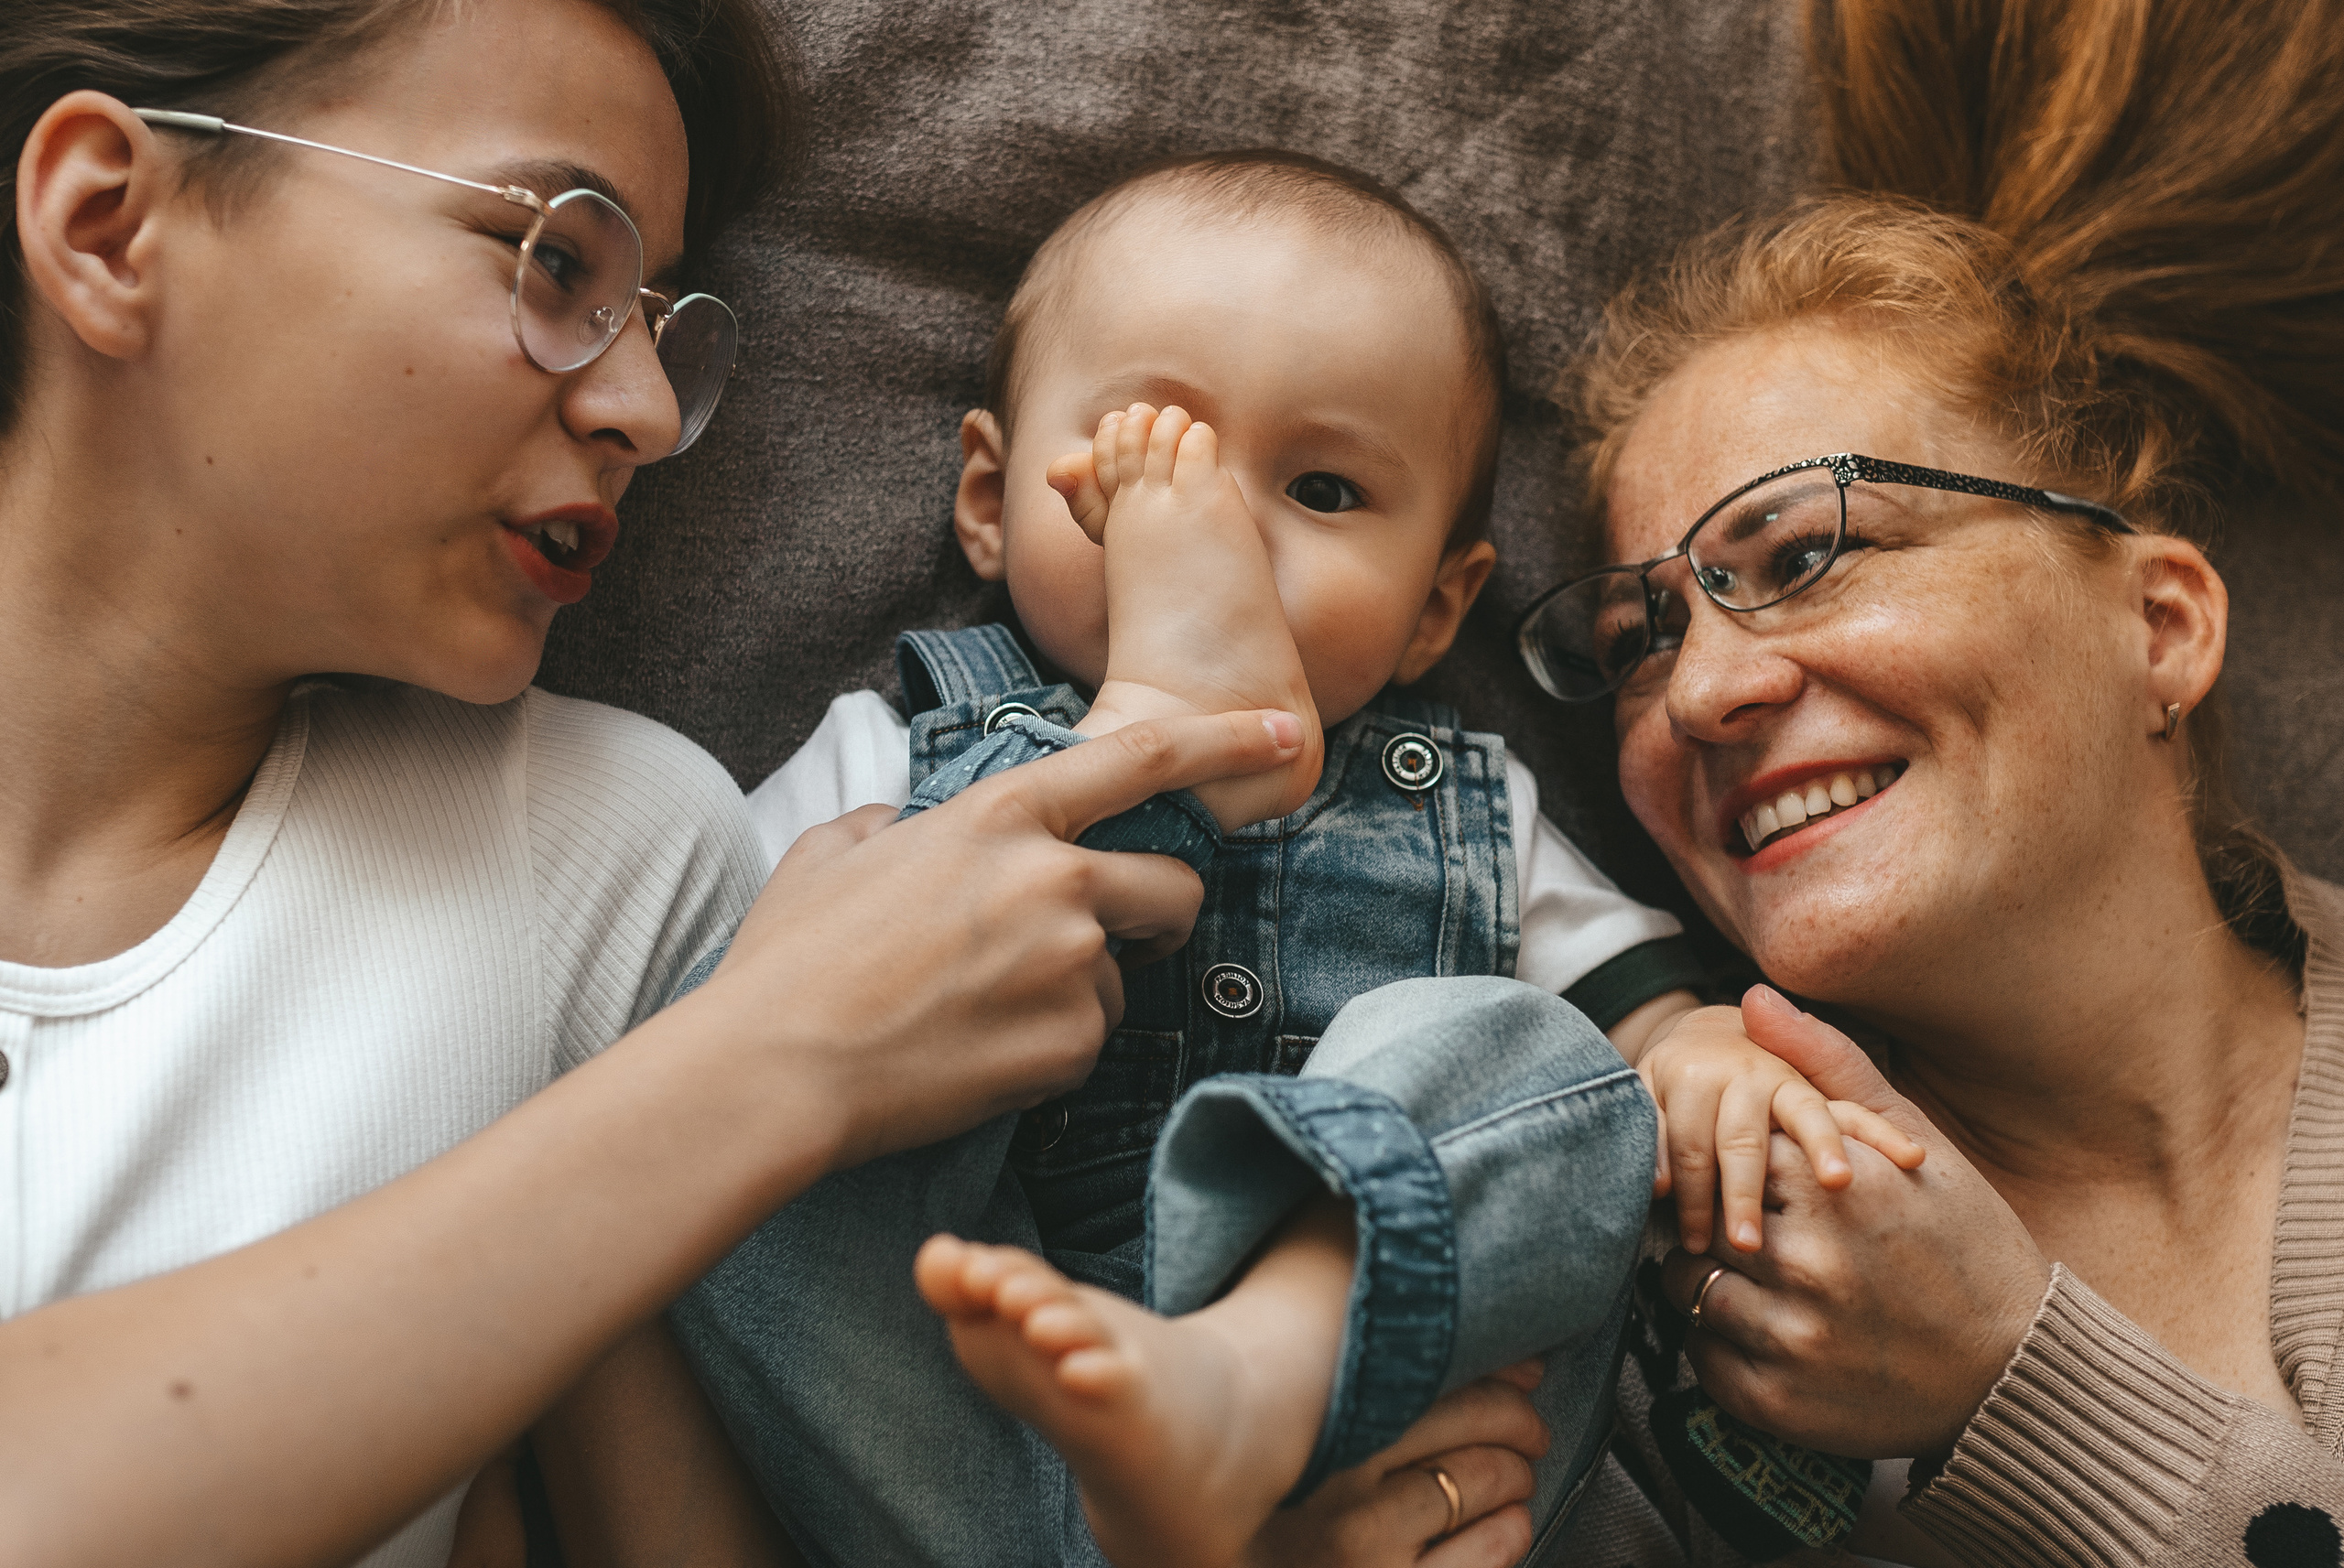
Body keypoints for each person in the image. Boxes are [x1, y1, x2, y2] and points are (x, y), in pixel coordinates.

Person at [0, 1, 1364, 1563]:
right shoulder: (775, 997)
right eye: (554, 259)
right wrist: (776, 1055)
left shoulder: (613, 858)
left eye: (656, 314)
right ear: (108, 225)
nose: (644, 410)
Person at [674, 151, 1918, 1568]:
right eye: (1156, 452)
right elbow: (701, 1030)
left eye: (1322, 488)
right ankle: (1154, 727)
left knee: (1527, 1053)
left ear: (1438, 608)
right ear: (987, 494)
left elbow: (1616, 1017)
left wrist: (1693, 1047)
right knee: (744, 1086)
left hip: (1368, 1439)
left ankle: (1246, 1379)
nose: (1235, 525)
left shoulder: (1468, 803)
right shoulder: (889, 751)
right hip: (946, 1436)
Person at [1320, 0, 2344, 1561]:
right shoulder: (1666, 1275)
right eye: (1636, 639)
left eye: (1803, 553)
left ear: (2161, 624)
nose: (1706, 692)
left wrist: (2022, 1383)